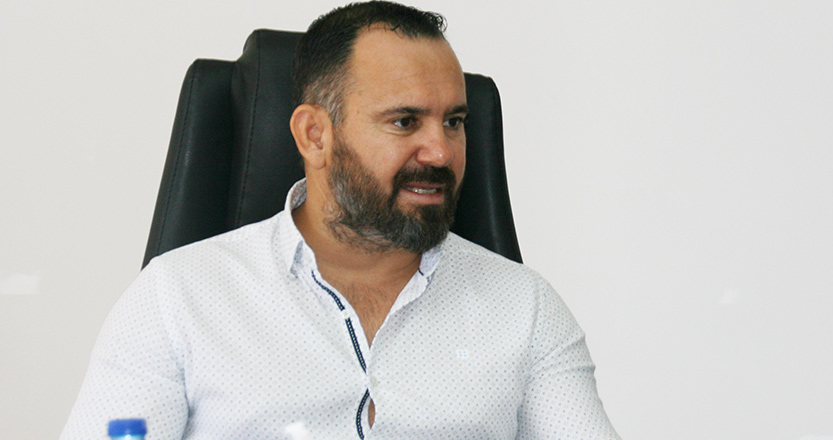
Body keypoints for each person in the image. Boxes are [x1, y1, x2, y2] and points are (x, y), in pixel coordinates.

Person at [60, 2, 620, 439]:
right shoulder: (176, 298)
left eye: (454, 121)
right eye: (405, 121)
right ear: (314, 135)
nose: (441, 152)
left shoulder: (526, 309)